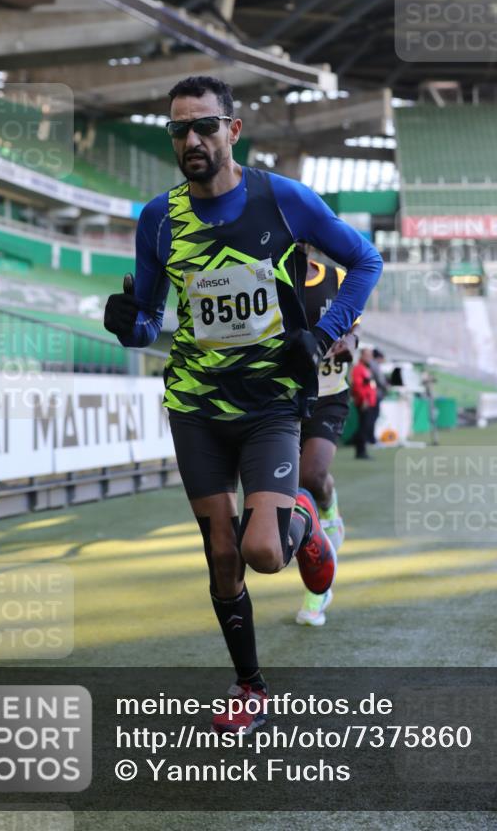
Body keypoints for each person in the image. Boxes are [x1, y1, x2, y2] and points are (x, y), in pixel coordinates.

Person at [103, 75, 383, 732]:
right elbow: (148, 321)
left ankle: (306, 523)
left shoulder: (280, 199)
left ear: (232, 131)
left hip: (268, 404)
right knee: (221, 554)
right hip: (196, 405)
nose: (191, 139)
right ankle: (249, 686)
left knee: (262, 550)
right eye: (179, 129)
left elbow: (364, 261)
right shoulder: (157, 218)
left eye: (204, 125)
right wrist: (127, 325)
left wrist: (319, 333)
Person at [296, 250, 360, 627]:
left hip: (328, 395)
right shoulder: (266, 279)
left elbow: (354, 327)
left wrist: (350, 343)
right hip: (282, 399)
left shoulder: (337, 279)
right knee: (288, 500)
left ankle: (329, 505)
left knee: (312, 476)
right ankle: (317, 588)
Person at [351, 348, 378, 459]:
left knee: (366, 427)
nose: (369, 358)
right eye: (367, 355)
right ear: (361, 356)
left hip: (369, 402)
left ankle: (361, 450)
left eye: (370, 356)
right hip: (364, 402)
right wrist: (364, 400)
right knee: (364, 427)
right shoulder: (358, 369)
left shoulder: (366, 369)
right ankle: (360, 452)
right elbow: (357, 386)